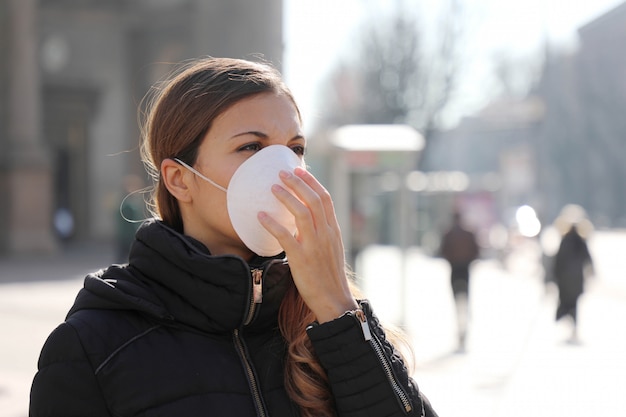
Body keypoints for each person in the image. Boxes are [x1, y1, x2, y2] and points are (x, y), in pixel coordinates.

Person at [29, 57, 438, 417]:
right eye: (251, 147)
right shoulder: (92, 347)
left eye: (294, 149)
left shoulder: (328, 316)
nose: (284, 170)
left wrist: (340, 313)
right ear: (179, 179)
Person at [439, 210, 480, 351]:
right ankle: (464, 327)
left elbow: (442, 251)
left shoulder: (449, 234)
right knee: (465, 300)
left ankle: (460, 327)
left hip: (455, 269)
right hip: (465, 269)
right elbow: (477, 251)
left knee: (457, 301)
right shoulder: (468, 234)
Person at [553, 222, 593, 343]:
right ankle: (572, 327)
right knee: (574, 305)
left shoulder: (565, 241)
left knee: (566, 303)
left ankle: (569, 324)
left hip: (565, 281)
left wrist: (554, 277)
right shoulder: (581, 241)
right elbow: (588, 258)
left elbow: (558, 261)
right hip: (576, 281)